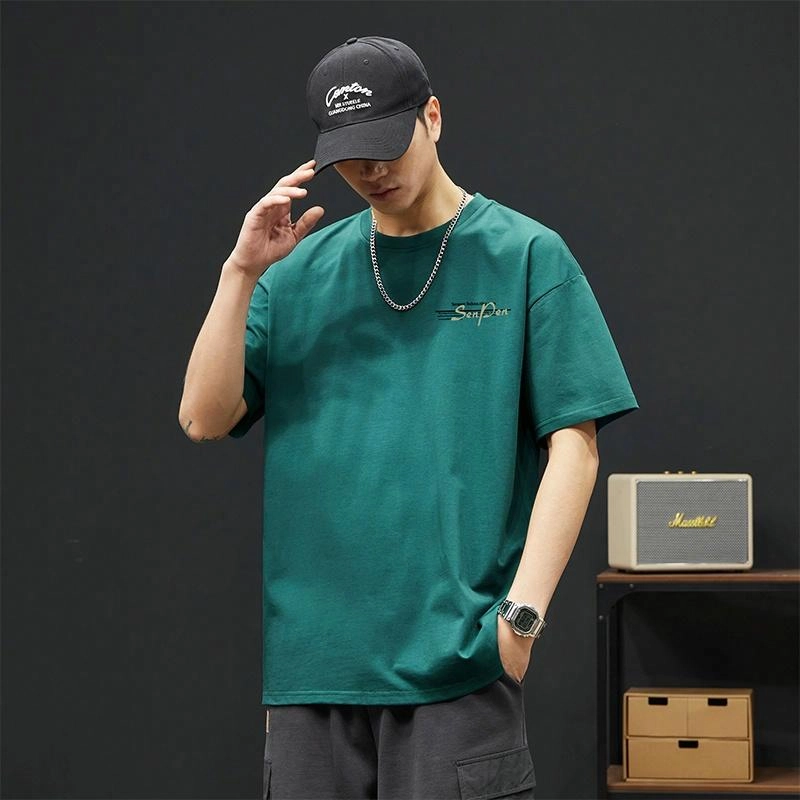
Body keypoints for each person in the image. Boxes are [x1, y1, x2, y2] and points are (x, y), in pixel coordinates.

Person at [179, 35, 639, 800]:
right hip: (314, 675)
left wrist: (521, 618)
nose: (372, 171)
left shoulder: (524, 255)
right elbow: (204, 416)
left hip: (456, 667)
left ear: (432, 117)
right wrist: (240, 273)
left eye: (387, 146)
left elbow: (575, 447)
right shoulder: (296, 273)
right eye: (352, 157)